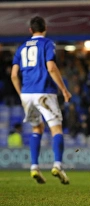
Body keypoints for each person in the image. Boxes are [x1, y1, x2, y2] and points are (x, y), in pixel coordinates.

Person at [11, 16, 72, 184]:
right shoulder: (47, 44)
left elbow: (14, 74)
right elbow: (51, 67)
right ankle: (58, 165)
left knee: (36, 129)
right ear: (45, 28)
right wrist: (64, 90)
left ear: (30, 30)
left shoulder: (21, 48)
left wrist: (21, 93)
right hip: (44, 92)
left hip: (27, 93)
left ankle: (34, 166)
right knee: (56, 129)